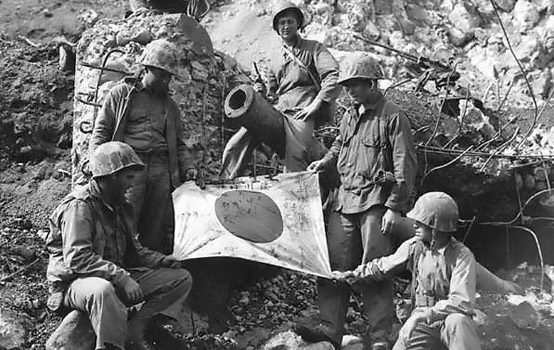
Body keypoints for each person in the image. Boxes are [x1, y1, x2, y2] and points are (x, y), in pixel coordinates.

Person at [298, 53, 418, 350]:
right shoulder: (350, 115)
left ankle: (380, 335)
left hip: (375, 204)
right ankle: (330, 329)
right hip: (344, 200)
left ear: (371, 83)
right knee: (334, 265)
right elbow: (340, 145)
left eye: (355, 85)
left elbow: (405, 163)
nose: (349, 91)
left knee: (375, 268)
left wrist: (394, 207)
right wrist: (325, 162)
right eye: (346, 85)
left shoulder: (392, 116)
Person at [46, 141, 193, 350]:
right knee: (102, 290)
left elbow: (135, 250)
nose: (132, 184)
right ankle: (111, 345)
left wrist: (162, 260)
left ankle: (136, 328)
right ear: (112, 176)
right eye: (128, 177)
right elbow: (77, 258)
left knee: (180, 279)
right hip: (75, 282)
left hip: (112, 277)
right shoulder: (80, 206)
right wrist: (122, 277)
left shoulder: (120, 206)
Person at [332, 192, 482, 350]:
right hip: (422, 322)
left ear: (435, 228)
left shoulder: (462, 257)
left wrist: (422, 316)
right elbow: (383, 266)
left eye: (421, 221)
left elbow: (461, 303)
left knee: (458, 321)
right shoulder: (414, 246)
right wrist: (353, 274)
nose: (415, 225)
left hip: (448, 321)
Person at [219, 0, 340, 178]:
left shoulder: (314, 49)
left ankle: (297, 197)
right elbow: (271, 94)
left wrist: (316, 104)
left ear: (298, 23)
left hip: (302, 111)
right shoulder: (274, 58)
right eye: (281, 23)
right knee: (237, 143)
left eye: (290, 21)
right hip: (279, 110)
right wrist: (259, 91)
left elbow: (333, 75)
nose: (286, 26)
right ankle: (227, 180)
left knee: (296, 153)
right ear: (276, 27)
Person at [90, 39, 189, 254]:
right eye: (161, 75)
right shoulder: (121, 95)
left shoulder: (170, 106)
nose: (165, 81)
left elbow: (179, 144)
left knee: (155, 223)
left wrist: (188, 168)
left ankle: (148, 268)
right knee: (125, 219)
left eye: (168, 77)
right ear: (146, 69)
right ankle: (120, 264)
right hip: (131, 169)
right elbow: (102, 130)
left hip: (161, 169)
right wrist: (96, 165)